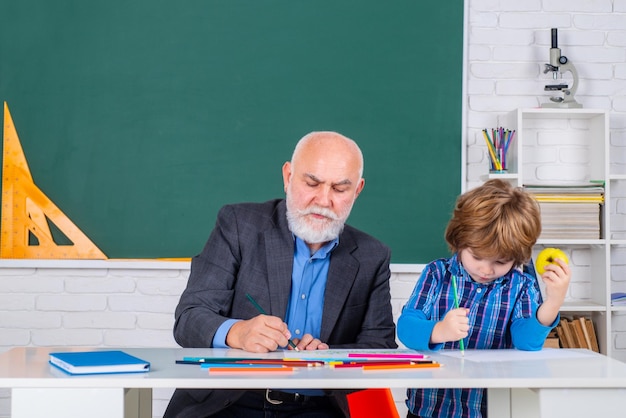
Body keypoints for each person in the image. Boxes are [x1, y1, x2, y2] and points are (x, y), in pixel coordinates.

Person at [164, 131, 397, 418]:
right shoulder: (239, 224)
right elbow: (189, 316)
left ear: (357, 190)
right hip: (228, 401)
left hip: (319, 407)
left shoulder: (372, 255)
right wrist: (237, 332)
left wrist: (326, 355)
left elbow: (380, 345)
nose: (323, 200)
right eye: (312, 183)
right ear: (288, 176)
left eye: (339, 189)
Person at [397, 179, 571, 418]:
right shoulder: (437, 274)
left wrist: (553, 302)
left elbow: (526, 342)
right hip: (429, 409)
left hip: (490, 409)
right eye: (477, 256)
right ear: (459, 240)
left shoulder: (521, 285)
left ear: (517, 257)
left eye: (501, 262)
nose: (486, 270)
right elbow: (406, 328)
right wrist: (440, 330)